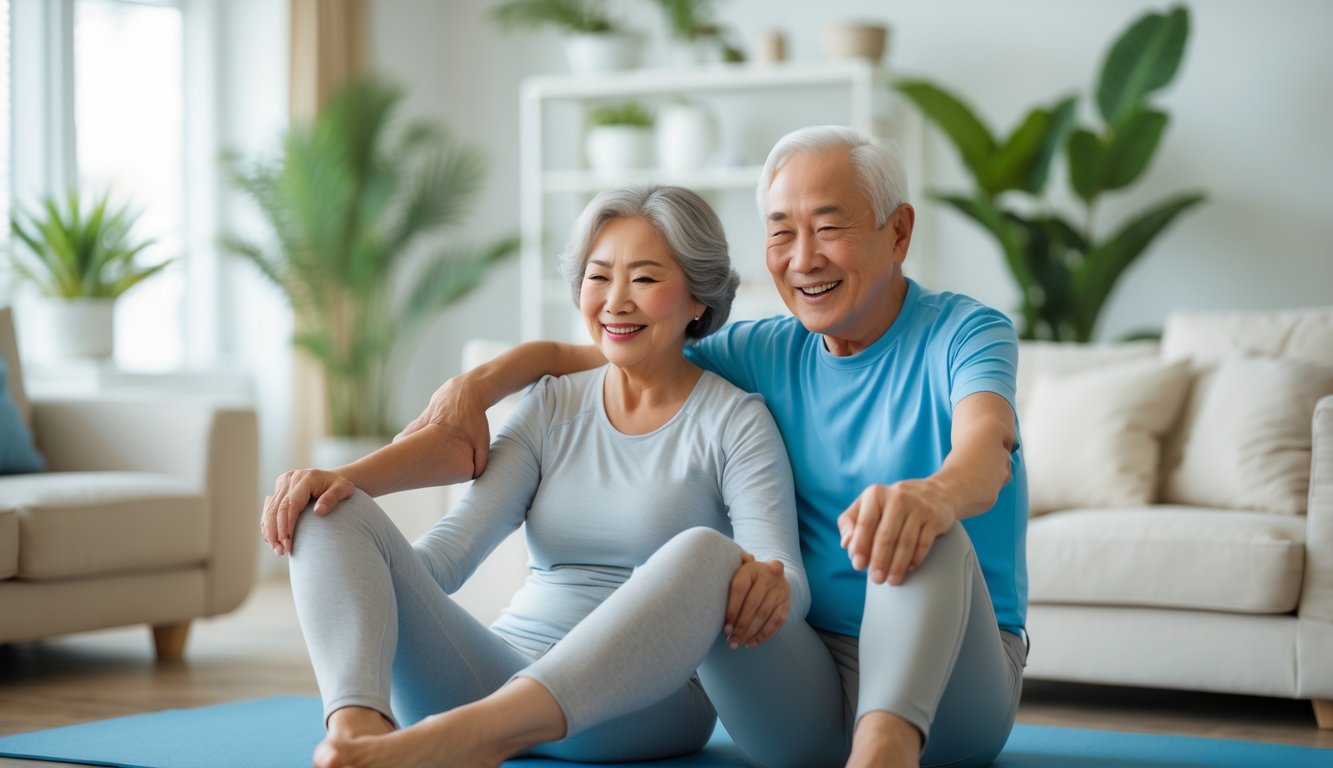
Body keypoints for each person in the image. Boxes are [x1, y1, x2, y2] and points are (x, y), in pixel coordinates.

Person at [400, 125, 1030, 768]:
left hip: (952, 690)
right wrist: (475, 386)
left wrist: (931, 496)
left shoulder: (965, 332)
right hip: (803, 691)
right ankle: (483, 730)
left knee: (926, 528)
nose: (803, 258)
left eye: (829, 228)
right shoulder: (764, 350)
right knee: (707, 553)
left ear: (898, 232)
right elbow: (618, 346)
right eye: (782, 232)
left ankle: (883, 752)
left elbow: (985, 450)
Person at [258, 184, 809, 768]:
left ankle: (467, 738)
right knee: (327, 506)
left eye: (645, 279)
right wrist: (363, 555)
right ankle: (359, 736)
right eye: (599, 278)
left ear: (698, 298)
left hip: (646, 701)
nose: (616, 301)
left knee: (705, 550)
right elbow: (446, 558)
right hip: (498, 671)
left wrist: (769, 589)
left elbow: (785, 575)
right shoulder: (551, 406)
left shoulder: (734, 421)